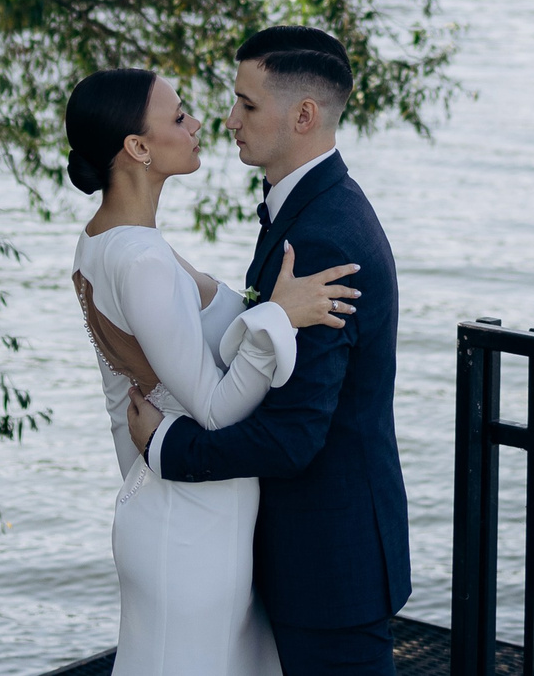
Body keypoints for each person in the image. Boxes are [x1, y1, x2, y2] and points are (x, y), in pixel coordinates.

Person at [128, 29, 411, 676]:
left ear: (303, 114)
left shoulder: (324, 237)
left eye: (247, 105)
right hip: (315, 553)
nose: (228, 120)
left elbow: (295, 435)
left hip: (329, 566)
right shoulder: (305, 210)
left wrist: (170, 447)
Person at [67, 66, 362, 676]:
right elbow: (216, 408)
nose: (202, 124)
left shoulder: (109, 240)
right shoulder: (140, 257)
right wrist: (276, 318)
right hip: (188, 526)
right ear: (138, 148)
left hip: (195, 516)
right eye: (178, 118)